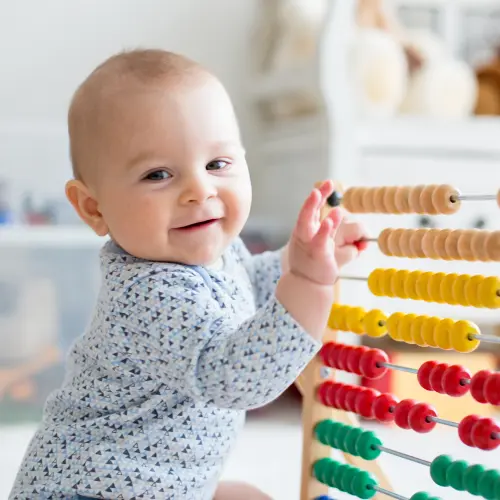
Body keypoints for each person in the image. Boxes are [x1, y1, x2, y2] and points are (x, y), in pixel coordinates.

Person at [10, 49, 367, 500]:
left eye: (218, 164)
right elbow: (239, 377)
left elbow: (245, 287)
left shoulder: (214, 253)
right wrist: (310, 284)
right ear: (93, 208)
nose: (200, 190)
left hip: (162, 484)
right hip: (93, 488)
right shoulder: (149, 294)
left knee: (245, 496)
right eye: (158, 174)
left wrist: (296, 259)